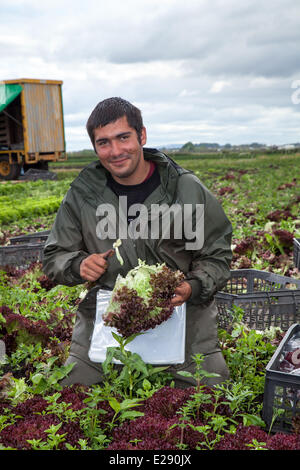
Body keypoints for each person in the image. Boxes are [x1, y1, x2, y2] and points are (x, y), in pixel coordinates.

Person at [42, 97, 233, 388]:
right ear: (95, 147)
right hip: (111, 316)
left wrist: (192, 287)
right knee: (74, 393)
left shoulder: (186, 188)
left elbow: (217, 254)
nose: (115, 151)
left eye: (123, 138)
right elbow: (55, 255)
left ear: (141, 135)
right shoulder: (84, 193)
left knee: (208, 393)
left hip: (182, 315)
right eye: (104, 142)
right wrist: (78, 265)